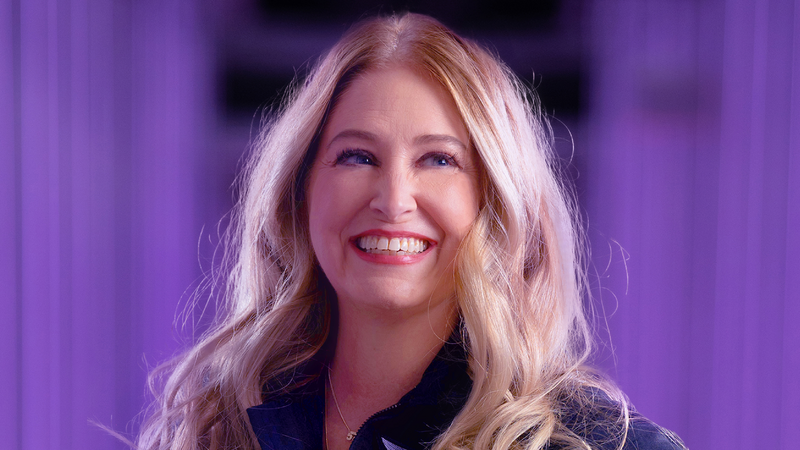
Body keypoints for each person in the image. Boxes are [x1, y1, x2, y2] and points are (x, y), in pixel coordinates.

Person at [136, 12, 686, 450]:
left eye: (439, 160)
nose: (394, 200)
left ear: (494, 200)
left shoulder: (602, 447)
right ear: (301, 192)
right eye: (356, 156)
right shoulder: (212, 432)